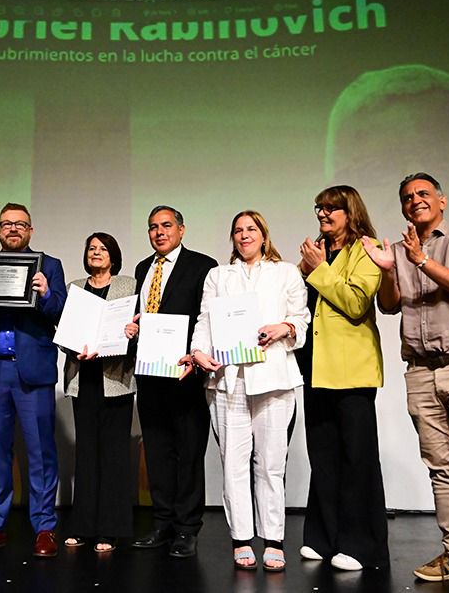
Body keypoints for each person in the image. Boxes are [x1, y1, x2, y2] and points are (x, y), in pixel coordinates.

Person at [363, 174, 449, 592]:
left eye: (423, 194)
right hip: (420, 369)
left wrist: (421, 259)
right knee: (441, 468)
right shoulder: (400, 249)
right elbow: (388, 306)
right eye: (407, 197)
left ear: (442, 199)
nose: (415, 201)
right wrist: (389, 270)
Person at [190, 211, 309, 572]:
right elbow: (206, 320)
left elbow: (301, 318)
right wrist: (198, 352)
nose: (244, 236)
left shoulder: (286, 271)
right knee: (233, 465)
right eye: (238, 231)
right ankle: (241, 538)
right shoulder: (218, 275)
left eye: (251, 229)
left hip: (273, 378)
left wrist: (283, 327)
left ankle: (273, 538)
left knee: (271, 465)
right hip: (228, 381)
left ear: (263, 234)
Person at [0, 203, 67, 558]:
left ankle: (44, 527)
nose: (13, 229)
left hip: (31, 371)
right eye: (7, 224)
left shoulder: (48, 265)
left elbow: (62, 313)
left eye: (20, 224)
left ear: (31, 231)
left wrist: (47, 293)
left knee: (40, 453)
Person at [295, 185, 389, 571]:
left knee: (356, 458)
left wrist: (319, 270)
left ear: (351, 212)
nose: (323, 214)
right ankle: (323, 536)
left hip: (351, 370)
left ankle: (359, 544)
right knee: (323, 456)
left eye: (332, 208)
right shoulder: (319, 251)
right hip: (315, 367)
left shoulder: (365, 249)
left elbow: (355, 303)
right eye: (319, 207)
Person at [130, 205, 217, 558]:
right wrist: (132, 329)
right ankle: (162, 522)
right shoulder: (141, 269)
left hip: (186, 375)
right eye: (153, 227)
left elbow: (207, 318)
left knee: (189, 453)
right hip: (149, 372)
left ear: (182, 229)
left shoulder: (203, 266)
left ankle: (186, 528)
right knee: (158, 452)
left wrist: (197, 359)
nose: (159, 232)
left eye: (166, 225)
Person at [62, 233, 136, 554]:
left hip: (116, 379)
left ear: (113, 256)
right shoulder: (75, 287)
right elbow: (66, 332)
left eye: (102, 249)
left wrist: (134, 333)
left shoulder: (128, 285)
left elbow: (135, 329)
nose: (96, 253)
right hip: (84, 378)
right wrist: (73, 345)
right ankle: (82, 527)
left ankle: (110, 529)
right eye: (91, 248)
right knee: (86, 454)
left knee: (115, 456)